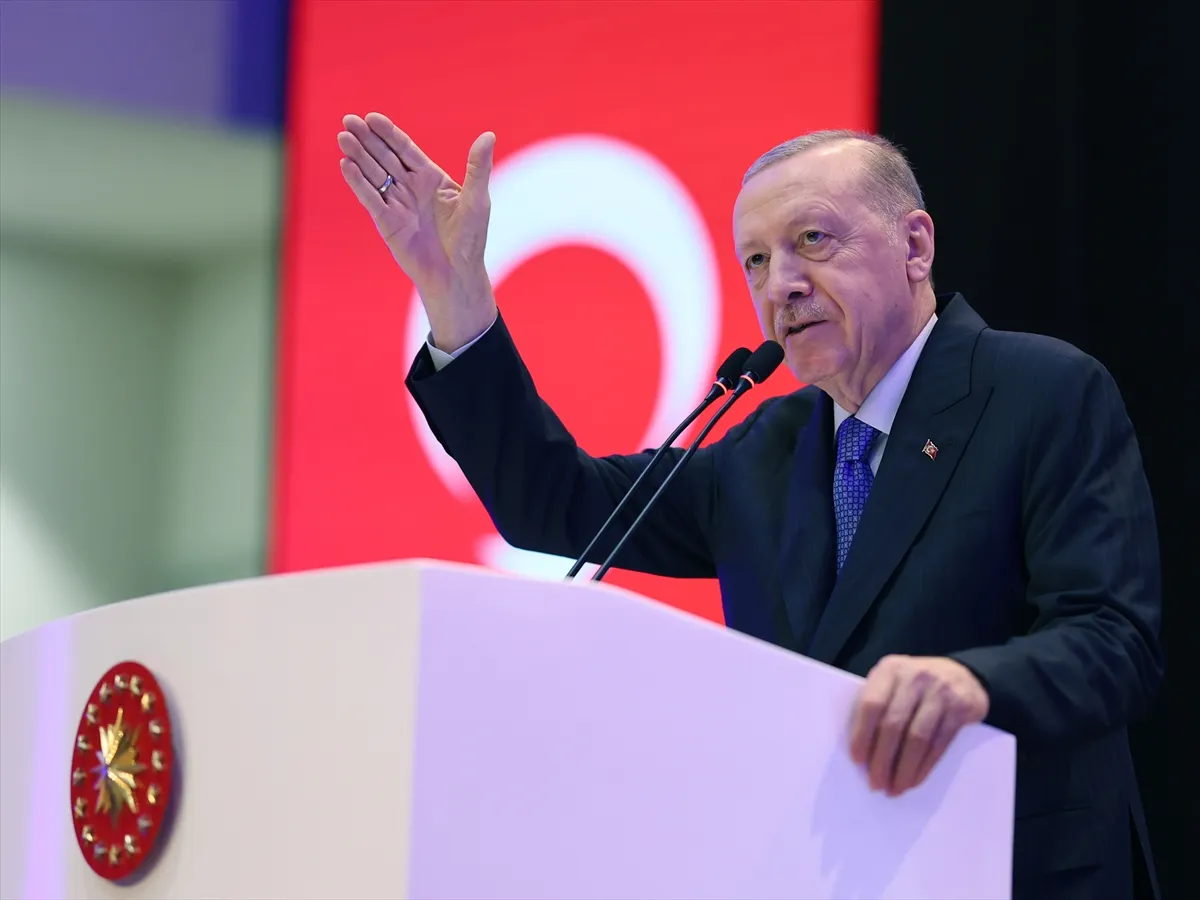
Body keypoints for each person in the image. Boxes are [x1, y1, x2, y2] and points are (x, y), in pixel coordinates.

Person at [337, 113, 1163, 900]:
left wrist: (972, 683)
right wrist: (455, 299)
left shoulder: (1039, 392)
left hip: (1014, 868)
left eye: (813, 240)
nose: (783, 285)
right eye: (757, 262)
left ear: (915, 246)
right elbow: (557, 505)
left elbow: (1114, 640)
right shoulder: (769, 446)